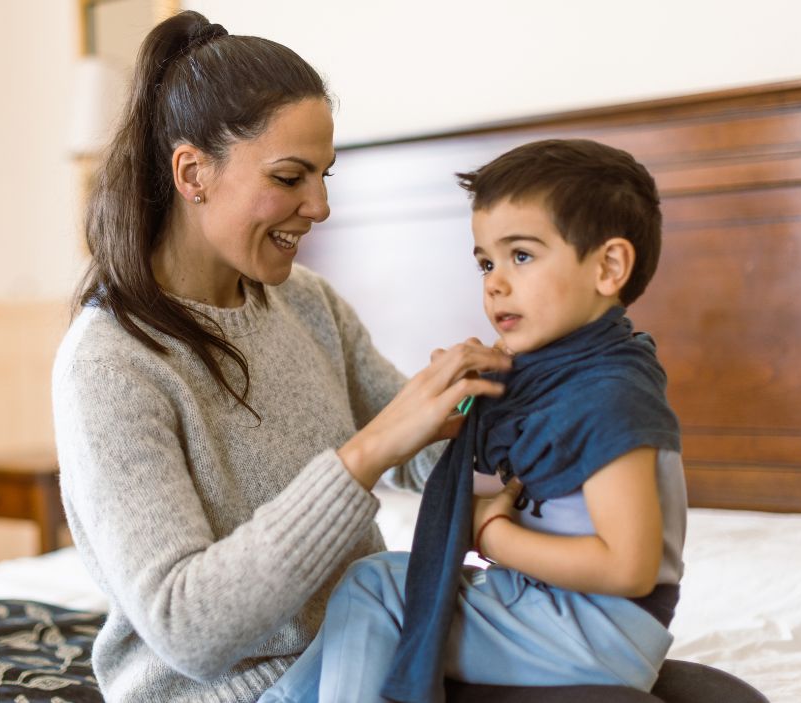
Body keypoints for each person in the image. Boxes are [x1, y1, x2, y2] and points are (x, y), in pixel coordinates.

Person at [51, 10, 512, 703]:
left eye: (325, 175)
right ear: (192, 172)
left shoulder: (305, 302)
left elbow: (421, 453)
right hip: (237, 691)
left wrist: (522, 426)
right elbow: (187, 626)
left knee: (699, 690)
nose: (320, 206)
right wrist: (365, 453)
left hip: (371, 649)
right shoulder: (111, 361)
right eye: (291, 176)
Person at [259, 138, 687, 703]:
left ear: (608, 266)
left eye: (522, 256)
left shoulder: (609, 394)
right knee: (386, 585)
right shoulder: (546, 380)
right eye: (486, 261)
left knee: (374, 585)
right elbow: (491, 488)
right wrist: (467, 413)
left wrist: (493, 536)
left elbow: (627, 567)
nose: (495, 282)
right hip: (557, 610)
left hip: (598, 629)